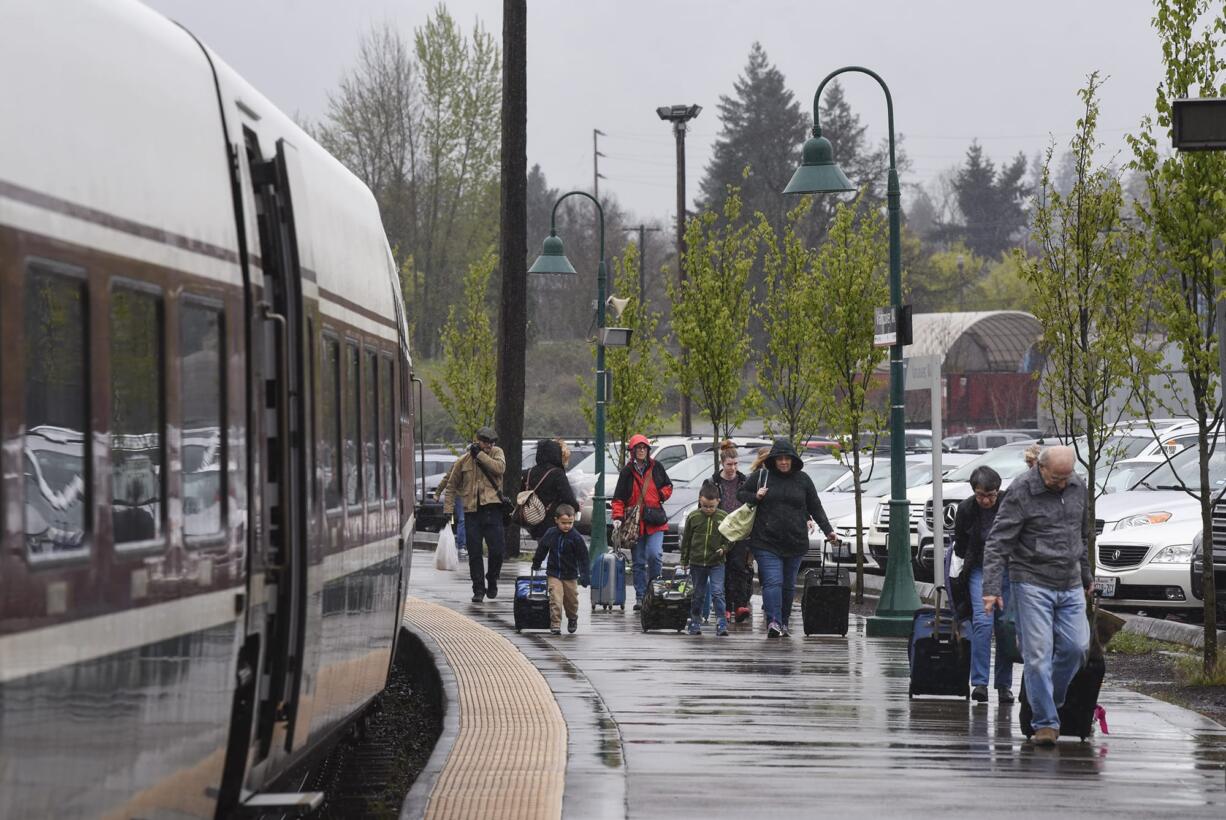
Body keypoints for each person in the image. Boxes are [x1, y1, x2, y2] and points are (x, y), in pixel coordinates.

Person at [982, 445, 1091, 746]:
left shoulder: (1077, 486)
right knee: (1038, 656)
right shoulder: (1021, 491)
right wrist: (991, 588)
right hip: (1031, 580)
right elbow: (997, 542)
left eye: (1067, 477)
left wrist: (1086, 574)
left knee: (1077, 648)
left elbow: (1081, 535)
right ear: (1040, 468)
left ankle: (1045, 702)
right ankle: (1044, 724)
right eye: (1057, 477)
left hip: (1069, 581)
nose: (1062, 483)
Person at [737, 438, 837, 638]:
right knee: (773, 581)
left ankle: (783, 622)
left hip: (795, 541)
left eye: (787, 459)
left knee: (789, 586)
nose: (783, 462)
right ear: (773, 460)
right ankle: (773, 621)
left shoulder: (803, 480)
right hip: (766, 541)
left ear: (793, 460)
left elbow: (815, 507)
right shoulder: (761, 476)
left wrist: (828, 531)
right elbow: (741, 494)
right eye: (779, 459)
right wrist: (756, 496)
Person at [953, 465, 1014, 704]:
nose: (986, 500)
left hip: (1007, 569)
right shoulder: (966, 509)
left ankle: (1003, 685)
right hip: (979, 568)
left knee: (1005, 626)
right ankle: (979, 683)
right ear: (973, 492)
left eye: (991, 494)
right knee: (982, 621)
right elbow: (960, 544)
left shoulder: (1008, 505)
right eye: (981, 495)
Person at [442, 426, 508, 603]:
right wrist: (448, 510)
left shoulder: (496, 453)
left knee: (497, 551)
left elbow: (499, 468)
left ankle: (492, 579)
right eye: (485, 442)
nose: (488, 445)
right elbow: (451, 486)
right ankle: (478, 588)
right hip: (472, 512)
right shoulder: (463, 461)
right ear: (477, 440)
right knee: (474, 553)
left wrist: (480, 455)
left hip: (492, 509)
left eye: (491, 442)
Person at [611, 433, 673, 610]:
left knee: (655, 555)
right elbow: (618, 499)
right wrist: (617, 517)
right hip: (636, 524)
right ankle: (640, 597)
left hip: (655, 521)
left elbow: (668, 487)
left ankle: (654, 591)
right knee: (638, 562)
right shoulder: (627, 472)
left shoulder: (657, 467)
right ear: (632, 450)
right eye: (638, 448)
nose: (641, 450)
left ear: (648, 450)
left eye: (643, 447)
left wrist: (661, 495)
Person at [680, 482, 732, 636]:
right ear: (699, 501)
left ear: (718, 502)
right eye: (705, 506)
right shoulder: (693, 517)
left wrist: (724, 548)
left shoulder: (723, 517)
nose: (708, 510)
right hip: (697, 562)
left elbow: (730, 537)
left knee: (717, 592)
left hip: (717, 562)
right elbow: (686, 540)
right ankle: (695, 621)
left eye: (712, 507)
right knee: (698, 593)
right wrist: (684, 560)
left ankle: (721, 622)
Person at [531, 504, 590, 635]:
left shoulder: (576, 537)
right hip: (554, 573)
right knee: (555, 598)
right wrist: (536, 562)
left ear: (574, 520)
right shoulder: (551, 533)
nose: (567, 526)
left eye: (570, 523)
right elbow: (542, 548)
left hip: (570, 575)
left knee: (571, 601)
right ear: (556, 520)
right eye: (563, 523)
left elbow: (583, 557)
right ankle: (555, 623)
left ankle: (572, 617)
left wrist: (585, 575)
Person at [712, 440, 752, 623]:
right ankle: (726, 606)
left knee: (740, 567)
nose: (733, 468)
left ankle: (741, 604)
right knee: (724, 568)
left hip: (741, 530)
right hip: (721, 530)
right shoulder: (713, 481)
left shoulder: (744, 481)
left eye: (736, 464)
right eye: (729, 464)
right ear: (722, 463)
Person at [520, 439, 579, 540]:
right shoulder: (557, 473)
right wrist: (576, 507)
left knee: (541, 549)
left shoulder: (528, 473)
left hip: (532, 519)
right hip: (551, 520)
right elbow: (567, 497)